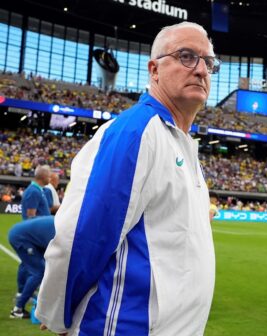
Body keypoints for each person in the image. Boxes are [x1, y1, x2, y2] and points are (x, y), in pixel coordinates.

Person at [36, 21, 219, 336]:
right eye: (187, 56)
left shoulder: (182, 142)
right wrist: (56, 314)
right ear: (154, 69)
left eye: (208, 62)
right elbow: (81, 235)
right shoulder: (138, 132)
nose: (201, 69)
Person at [8, 216, 55, 319]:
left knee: (29, 265)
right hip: (20, 237)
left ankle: (23, 293)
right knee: (38, 272)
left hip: (23, 235)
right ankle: (17, 310)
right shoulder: (60, 231)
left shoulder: (60, 223)